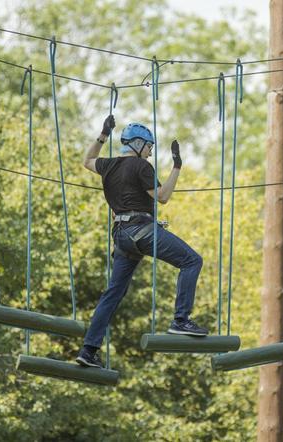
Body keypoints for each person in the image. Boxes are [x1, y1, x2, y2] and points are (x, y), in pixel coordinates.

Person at [76, 115, 208, 368]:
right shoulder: (141, 167)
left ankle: (88, 349)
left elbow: (87, 160)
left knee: (113, 293)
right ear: (137, 144)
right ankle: (181, 320)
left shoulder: (109, 165)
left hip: (122, 236)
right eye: (148, 147)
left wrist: (103, 134)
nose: (149, 153)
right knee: (192, 261)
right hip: (141, 230)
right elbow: (163, 197)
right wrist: (177, 167)